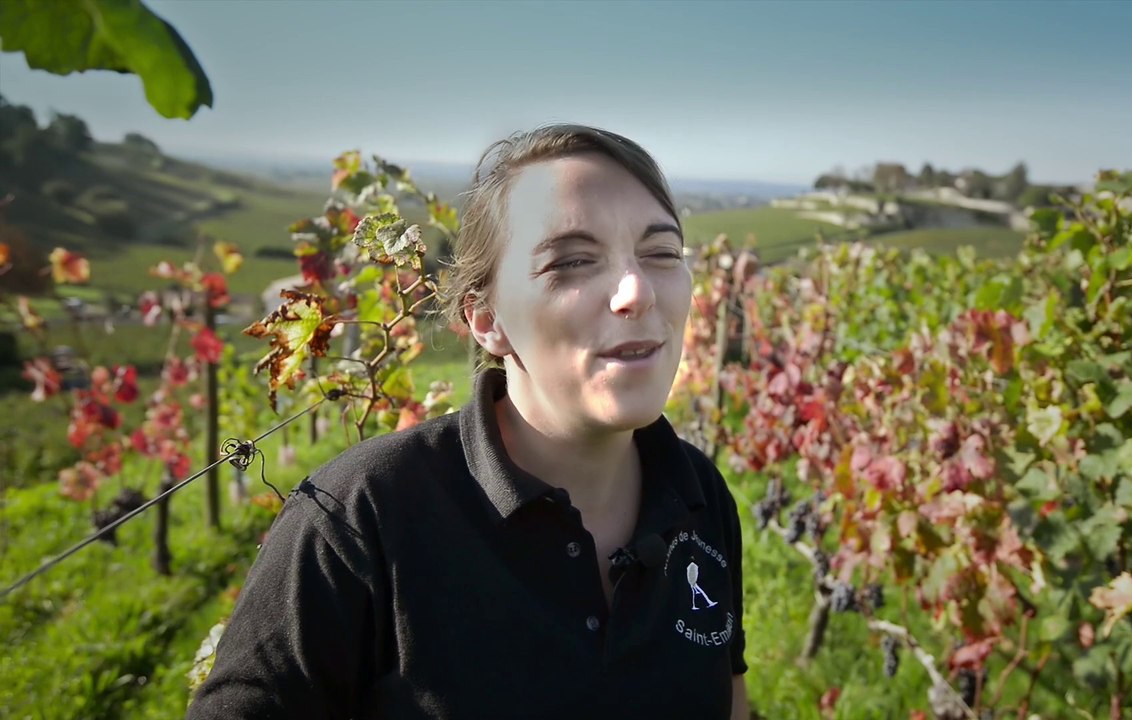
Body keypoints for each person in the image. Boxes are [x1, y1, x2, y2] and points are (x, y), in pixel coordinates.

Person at [185, 124, 749, 719]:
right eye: (574, 262)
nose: (636, 291)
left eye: (661, 253)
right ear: (486, 320)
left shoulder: (698, 494)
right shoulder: (361, 517)